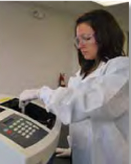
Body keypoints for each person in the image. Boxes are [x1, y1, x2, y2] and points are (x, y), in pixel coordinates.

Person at [19, 9, 129, 164]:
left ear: (105, 36)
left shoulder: (122, 68)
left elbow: (90, 103)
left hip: (109, 157)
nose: (80, 45)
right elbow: (79, 120)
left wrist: (42, 93)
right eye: (78, 40)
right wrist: (75, 149)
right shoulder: (80, 75)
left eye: (86, 38)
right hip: (83, 155)